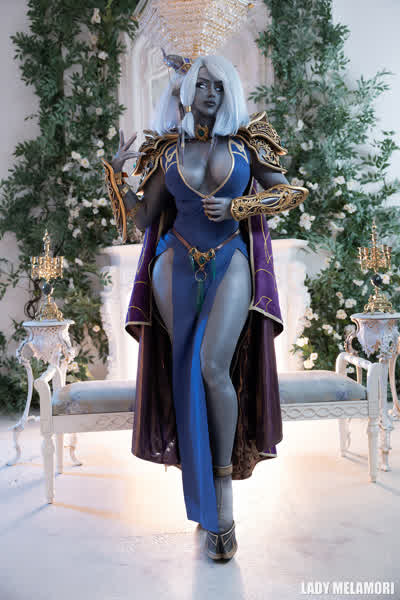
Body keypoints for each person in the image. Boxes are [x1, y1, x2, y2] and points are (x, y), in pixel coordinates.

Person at [103, 53, 308, 561]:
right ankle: (203, 507)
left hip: (230, 259)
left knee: (214, 368)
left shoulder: (248, 144)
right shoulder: (166, 150)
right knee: (185, 371)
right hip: (172, 263)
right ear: (187, 90)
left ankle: (222, 494)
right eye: (202, 84)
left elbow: (291, 193)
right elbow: (140, 219)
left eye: (219, 85)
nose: (210, 93)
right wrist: (116, 174)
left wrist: (240, 206)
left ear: (228, 90)